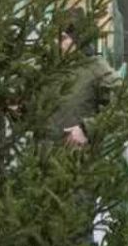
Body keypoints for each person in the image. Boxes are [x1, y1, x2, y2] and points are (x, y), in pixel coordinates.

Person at [48, 8, 118, 147]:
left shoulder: (96, 68)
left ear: (77, 40)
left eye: (63, 38)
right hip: (39, 162)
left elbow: (127, 108)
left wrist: (87, 129)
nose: (56, 43)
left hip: (77, 162)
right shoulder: (48, 70)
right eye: (54, 38)